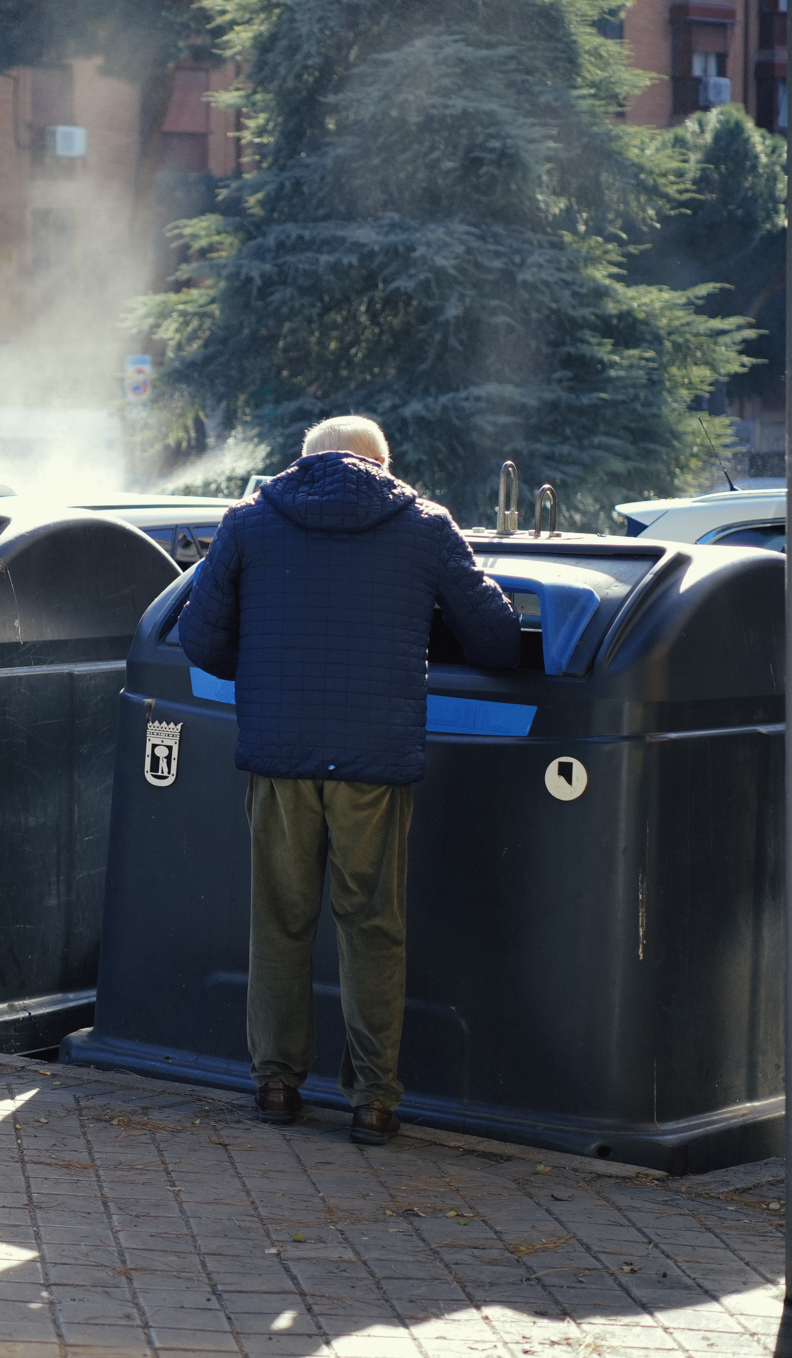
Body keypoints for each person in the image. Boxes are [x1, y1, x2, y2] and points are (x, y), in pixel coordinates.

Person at [177, 416, 520, 1146]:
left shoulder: (248, 521)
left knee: (281, 921)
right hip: (373, 761)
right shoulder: (425, 524)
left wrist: (269, 672)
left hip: (280, 757)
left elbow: (200, 638)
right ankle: (373, 1101)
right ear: (381, 466)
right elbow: (496, 639)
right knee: (372, 926)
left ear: (304, 463)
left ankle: (276, 1084)